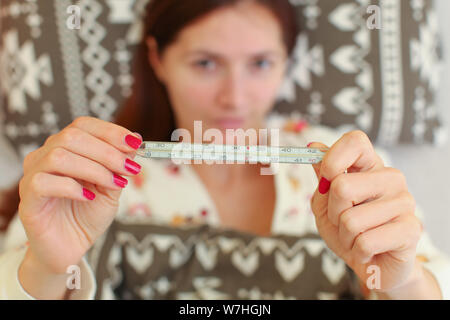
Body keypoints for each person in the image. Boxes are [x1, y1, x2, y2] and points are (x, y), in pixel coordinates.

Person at [0, 0, 449, 300]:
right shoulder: (88, 172)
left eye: (260, 64)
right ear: (158, 59)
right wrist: (47, 267)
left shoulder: (348, 168)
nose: (234, 97)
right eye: (206, 63)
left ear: (286, 63)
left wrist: (402, 281)